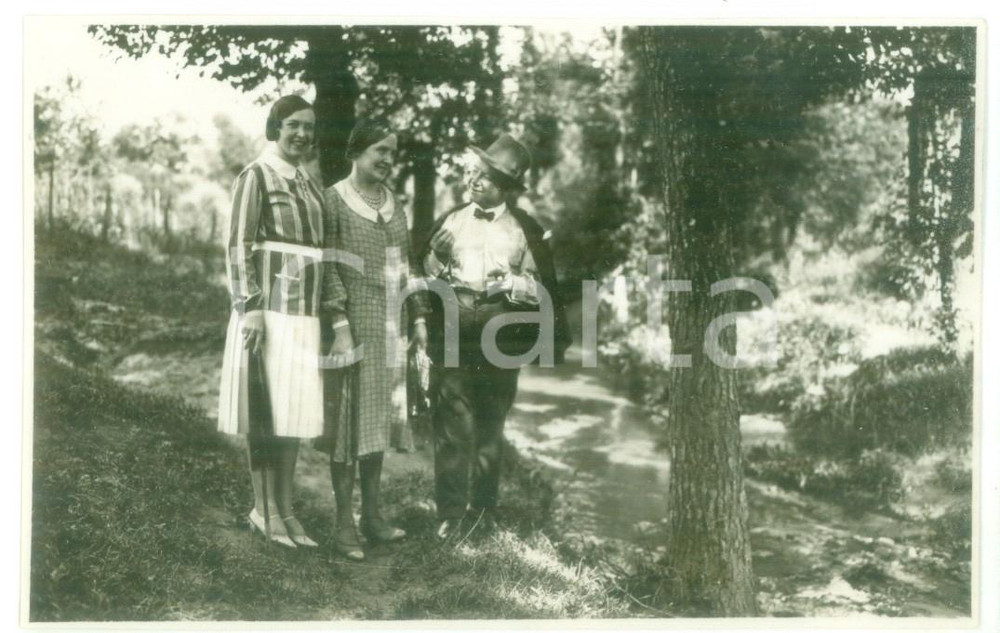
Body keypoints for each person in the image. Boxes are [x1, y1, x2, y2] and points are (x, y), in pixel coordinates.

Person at [418, 134, 571, 541]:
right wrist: (436, 257)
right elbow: (427, 274)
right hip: (454, 323)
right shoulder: (452, 220)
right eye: (473, 172)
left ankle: (481, 512)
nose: (474, 180)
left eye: (485, 177)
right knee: (451, 423)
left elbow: (542, 289)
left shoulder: (525, 229)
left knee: (490, 422)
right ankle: (451, 514)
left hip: (501, 328)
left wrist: (513, 283)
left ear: (505, 186)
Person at [218, 95, 326, 548]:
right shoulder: (257, 175)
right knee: (265, 414)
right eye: (293, 124)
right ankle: (263, 510)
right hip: (268, 314)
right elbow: (238, 245)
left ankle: (286, 510)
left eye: (308, 126)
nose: (302, 133)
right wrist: (251, 308)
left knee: (292, 414)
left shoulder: (308, 182)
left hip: (304, 316)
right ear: (276, 126)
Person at [319, 118, 429, 561]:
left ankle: (372, 515)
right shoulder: (333, 200)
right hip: (354, 323)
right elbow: (328, 266)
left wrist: (418, 317)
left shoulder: (394, 203)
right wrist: (339, 325)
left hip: (392, 325)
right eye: (380, 150)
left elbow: (407, 264)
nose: (388, 159)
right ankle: (343, 523)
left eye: (392, 152)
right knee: (349, 425)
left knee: (377, 421)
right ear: (356, 151)